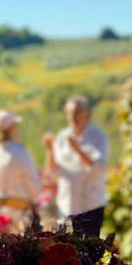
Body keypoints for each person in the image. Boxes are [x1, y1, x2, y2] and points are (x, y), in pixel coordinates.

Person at [44, 95, 108, 236]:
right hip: (66, 206)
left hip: (90, 205)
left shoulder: (98, 136)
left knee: (89, 248)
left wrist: (77, 149)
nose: (73, 116)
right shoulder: (62, 136)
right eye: (70, 113)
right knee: (64, 247)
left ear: (87, 114)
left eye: (77, 112)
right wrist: (50, 149)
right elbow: (53, 171)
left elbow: (99, 167)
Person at [0, 110, 40, 227]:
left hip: (1, 215)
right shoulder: (21, 153)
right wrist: (36, 200)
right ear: (11, 129)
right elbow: (32, 183)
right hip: (22, 213)